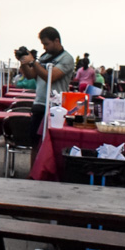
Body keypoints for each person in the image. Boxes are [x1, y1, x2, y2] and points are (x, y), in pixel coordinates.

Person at [15, 27, 74, 163]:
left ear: (56, 41)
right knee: (35, 142)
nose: (44, 47)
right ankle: (33, 174)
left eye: (46, 44)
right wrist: (23, 62)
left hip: (56, 107)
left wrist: (33, 62)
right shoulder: (44, 57)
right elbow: (31, 75)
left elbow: (50, 77)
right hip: (39, 104)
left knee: (52, 144)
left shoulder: (67, 59)